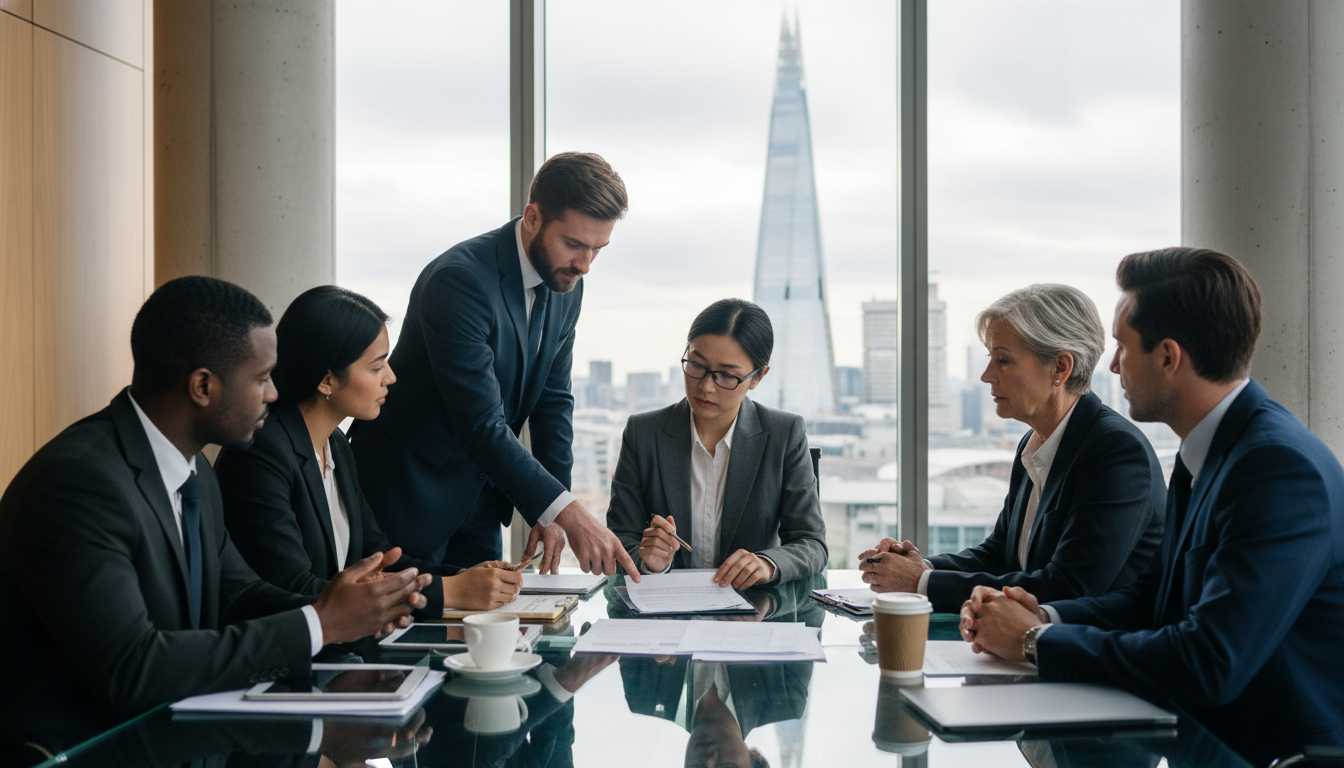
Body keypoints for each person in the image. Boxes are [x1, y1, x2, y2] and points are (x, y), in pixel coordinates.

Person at [0, 277, 431, 754]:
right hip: (80, 751)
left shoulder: (194, 469)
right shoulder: (79, 483)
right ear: (203, 386)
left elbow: (238, 593)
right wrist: (321, 623)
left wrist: (348, 610)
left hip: (180, 739)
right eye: (262, 378)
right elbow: (133, 668)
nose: (273, 395)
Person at [960, 248, 1344, 765]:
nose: (1112, 365)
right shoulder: (1206, 451)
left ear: (1168, 357)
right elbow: (1153, 600)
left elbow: (1208, 661)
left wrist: (1034, 641)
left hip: (1273, 754)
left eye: (1122, 347)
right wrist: (1043, 613)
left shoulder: (1275, 466)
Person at [350, 152, 639, 580]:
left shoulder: (567, 285)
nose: (585, 264)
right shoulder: (459, 280)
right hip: (410, 492)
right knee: (403, 634)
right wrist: (569, 511)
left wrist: (552, 511)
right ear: (533, 217)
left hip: (481, 499)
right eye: (575, 244)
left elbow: (553, 403)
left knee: (482, 629)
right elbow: (481, 423)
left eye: (598, 248)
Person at [215, 286, 522, 627]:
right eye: (377, 367)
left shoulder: (336, 445)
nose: (390, 377)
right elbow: (293, 589)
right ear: (327, 379)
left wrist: (467, 576)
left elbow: (381, 559)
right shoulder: (259, 455)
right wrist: (449, 591)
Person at [858, 284, 1166, 613]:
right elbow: (999, 554)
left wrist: (921, 583)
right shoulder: (1036, 440)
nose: (986, 375)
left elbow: (1066, 588)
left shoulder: (1114, 451)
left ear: (1061, 368)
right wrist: (921, 567)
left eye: (1003, 360)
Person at [605, 298, 827, 589]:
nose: (706, 386)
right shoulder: (643, 433)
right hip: (666, 616)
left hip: (754, 616)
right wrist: (649, 561)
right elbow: (621, 536)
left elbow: (811, 543)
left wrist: (766, 564)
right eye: (696, 365)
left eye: (726, 376)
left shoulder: (784, 434)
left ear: (758, 377)